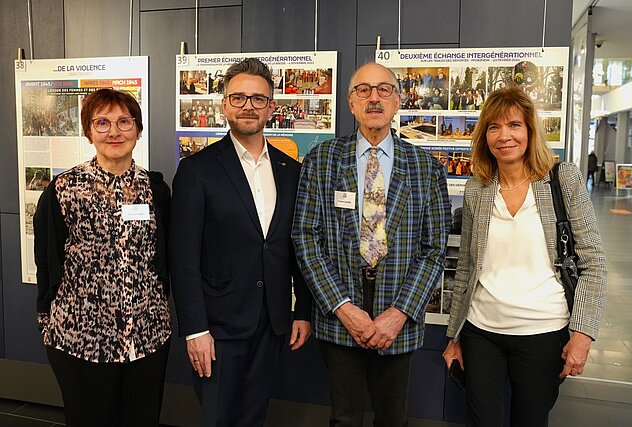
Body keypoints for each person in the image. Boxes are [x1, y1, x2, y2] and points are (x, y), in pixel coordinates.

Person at [292, 62, 451, 427]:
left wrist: (398, 315)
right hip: (339, 317)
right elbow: (306, 237)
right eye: (364, 90)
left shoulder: (427, 167)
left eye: (384, 90)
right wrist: (344, 308)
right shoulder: (322, 160)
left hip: (398, 318)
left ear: (398, 100)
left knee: (393, 418)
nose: (374, 98)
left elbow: (434, 248)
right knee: (344, 417)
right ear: (351, 103)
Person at [442, 87, 607, 426]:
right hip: (481, 331)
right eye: (494, 127)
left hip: (544, 333)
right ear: (484, 135)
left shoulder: (562, 181)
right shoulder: (477, 189)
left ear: (530, 131)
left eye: (514, 125)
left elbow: (594, 263)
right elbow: (467, 269)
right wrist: (454, 337)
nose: (504, 136)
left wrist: (582, 335)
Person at [170, 58, 312, 426]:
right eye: (238, 97)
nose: (248, 105)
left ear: (272, 107)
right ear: (224, 105)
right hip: (217, 329)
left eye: (258, 98)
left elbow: (297, 246)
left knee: (254, 418)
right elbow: (183, 259)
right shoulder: (197, 170)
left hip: (272, 324)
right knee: (218, 419)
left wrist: (302, 312)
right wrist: (195, 330)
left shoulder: (290, 170)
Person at [33, 88, 172, 427]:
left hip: (147, 336)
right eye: (103, 122)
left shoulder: (155, 190)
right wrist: (46, 318)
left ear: (138, 130)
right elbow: (46, 260)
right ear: (88, 131)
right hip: (80, 338)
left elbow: (164, 256)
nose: (114, 131)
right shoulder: (63, 189)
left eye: (125, 121)